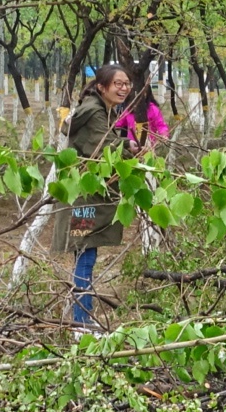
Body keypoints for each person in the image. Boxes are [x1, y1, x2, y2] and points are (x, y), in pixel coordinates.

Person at [53, 64, 131, 329]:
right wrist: (129, 149)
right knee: (85, 255)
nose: (124, 88)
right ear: (101, 87)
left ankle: (80, 319)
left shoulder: (99, 109)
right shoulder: (96, 112)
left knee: (85, 254)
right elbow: (105, 148)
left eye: (127, 83)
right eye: (118, 83)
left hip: (85, 196)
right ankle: (82, 324)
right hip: (83, 201)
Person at [113, 85, 169, 152]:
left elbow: (161, 125)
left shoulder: (153, 109)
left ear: (147, 94)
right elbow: (118, 123)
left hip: (148, 147)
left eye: (143, 93)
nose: (139, 96)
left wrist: (164, 134)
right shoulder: (129, 110)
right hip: (132, 146)